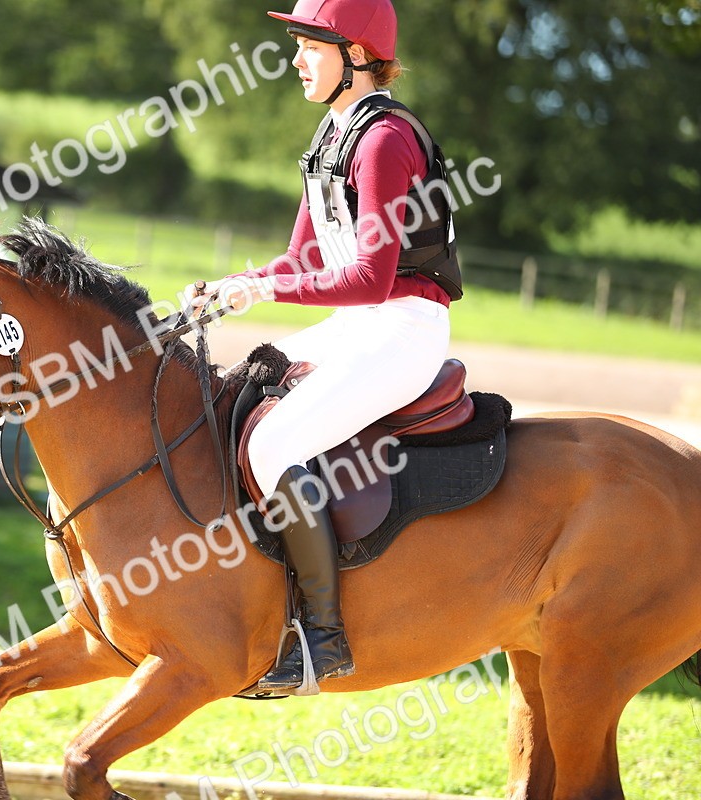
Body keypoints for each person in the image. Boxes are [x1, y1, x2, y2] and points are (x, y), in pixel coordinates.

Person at [185, 0, 463, 691]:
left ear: (357, 55)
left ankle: (324, 637)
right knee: (242, 395)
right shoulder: (333, 135)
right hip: (364, 323)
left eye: (311, 46)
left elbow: (369, 279)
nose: (295, 59)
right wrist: (236, 284)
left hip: (402, 328)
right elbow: (298, 258)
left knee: (272, 445)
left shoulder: (384, 141)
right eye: (298, 45)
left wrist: (267, 294)